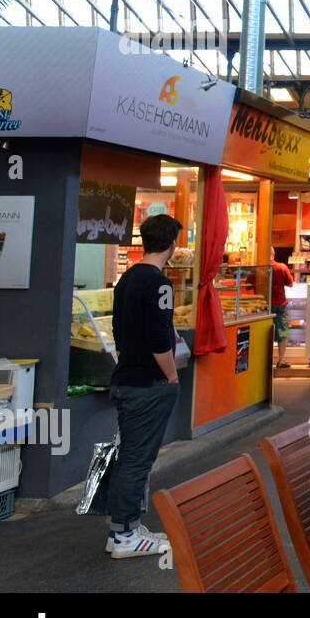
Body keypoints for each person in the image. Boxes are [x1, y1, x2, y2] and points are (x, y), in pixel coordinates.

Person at [104, 213, 183, 559]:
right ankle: (124, 534)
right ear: (171, 244)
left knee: (129, 458)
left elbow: (120, 332)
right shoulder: (160, 283)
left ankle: (125, 528)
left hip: (126, 378)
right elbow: (159, 338)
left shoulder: (127, 279)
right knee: (138, 460)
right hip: (148, 385)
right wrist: (171, 375)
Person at [268, 247, 295, 369]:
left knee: (264, 333)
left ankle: (264, 360)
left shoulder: (257, 268)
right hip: (279, 303)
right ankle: (281, 360)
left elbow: (249, 285)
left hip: (264, 305)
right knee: (282, 332)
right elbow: (290, 283)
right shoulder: (281, 267)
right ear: (274, 254)